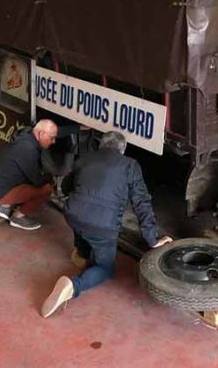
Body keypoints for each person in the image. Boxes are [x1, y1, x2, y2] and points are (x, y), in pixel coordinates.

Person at [41, 131, 172, 318]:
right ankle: (72, 286)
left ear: (100, 145)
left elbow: (66, 187)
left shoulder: (85, 158)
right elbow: (141, 202)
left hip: (73, 215)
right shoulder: (130, 165)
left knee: (82, 221)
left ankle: (83, 253)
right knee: (105, 268)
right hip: (102, 226)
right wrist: (152, 239)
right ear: (123, 149)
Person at [0, 119, 58, 231]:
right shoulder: (28, 150)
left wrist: (77, 128)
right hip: (0, 192)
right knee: (46, 189)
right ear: (41, 134)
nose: (53, 142)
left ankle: (5, 206)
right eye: (52, 138)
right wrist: (51, 178)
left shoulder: (27, 136)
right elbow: (37, 180)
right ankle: (18, 217)